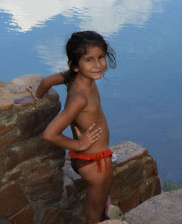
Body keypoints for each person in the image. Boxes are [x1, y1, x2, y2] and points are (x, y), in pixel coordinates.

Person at [33, 31, 117, 224]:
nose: (97, 65)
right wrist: (79, 144)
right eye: (89, 60)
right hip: (94, 162)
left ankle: (109, 211)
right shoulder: (79, 98)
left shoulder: (72, 77)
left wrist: (37, 96)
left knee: (102, 203)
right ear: (75, 65)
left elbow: (46, 81)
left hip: (95, 159)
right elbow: (50, 134)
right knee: (93, 215)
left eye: (101, 57)